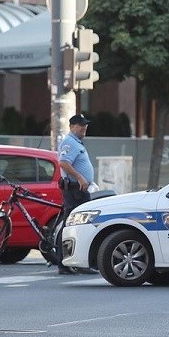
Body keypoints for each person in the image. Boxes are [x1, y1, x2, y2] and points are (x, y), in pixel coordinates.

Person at [57, 113, 96, 274]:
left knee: (81, 226)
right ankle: (64, 263)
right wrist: (80, 177)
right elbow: (64, 163)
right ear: (72, 126)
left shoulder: (76, 142)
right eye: (80, 125)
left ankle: (80, 262)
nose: (84, 127)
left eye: (85, 124)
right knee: (72, 226)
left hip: (79, 190)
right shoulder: (70, 142)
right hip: (75, 190)